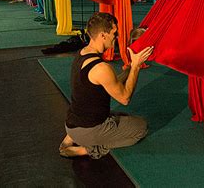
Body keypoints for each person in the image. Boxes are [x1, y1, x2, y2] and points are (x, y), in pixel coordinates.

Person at [59, 12, 153, 159]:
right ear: (103, 35)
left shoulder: (82, 53)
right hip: (89, 128)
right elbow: (125, 98)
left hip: (73, 123)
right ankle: (87, 149)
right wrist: (135, 67)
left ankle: (73, 136)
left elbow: (111, 83)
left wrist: (128, 69)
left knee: (124, 117)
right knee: (141, 127)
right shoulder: (101, 68)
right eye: (114, 33)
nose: (117, 37)